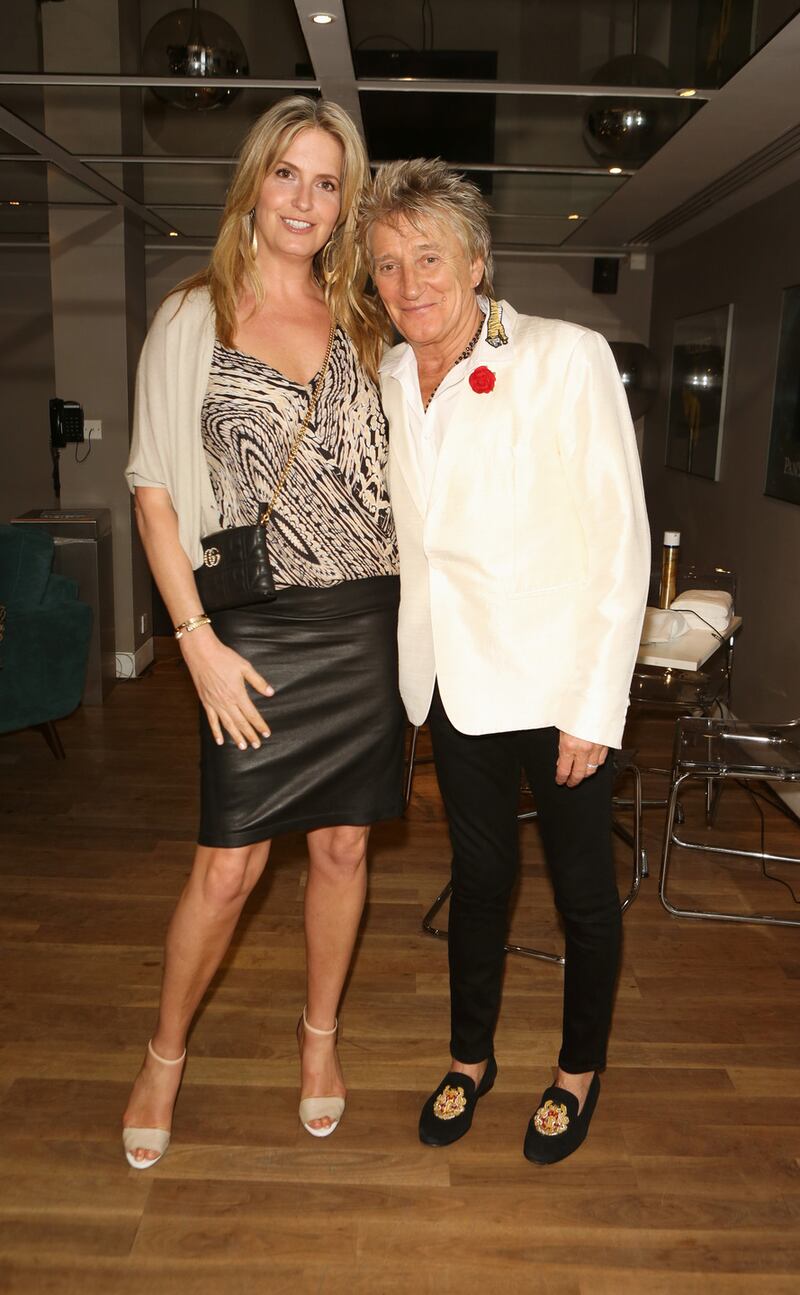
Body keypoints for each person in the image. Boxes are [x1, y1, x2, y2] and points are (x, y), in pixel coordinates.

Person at [122, 97, 404, 1167]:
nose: (304, 199)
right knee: (228, 866)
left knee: (342, 846)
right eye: (288, 173)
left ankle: (318, 1039)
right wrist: (194, 643)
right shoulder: (192, 314)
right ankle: (163, 1053)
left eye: (327, 183)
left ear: (344, 204)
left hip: (363, 624)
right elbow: (154, 494)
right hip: (246, 630)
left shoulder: (365, 319)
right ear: (254, 181)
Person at [359, 159, 650, 1164]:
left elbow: (620, 540)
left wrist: (594, 704)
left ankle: (576, 1070)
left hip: (557, 683)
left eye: (428, 257)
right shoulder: (388, 376)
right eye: (387, 264)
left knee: (580, 889)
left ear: (477, 261)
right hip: (452, 680)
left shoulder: (565, 357)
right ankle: (469, 1057)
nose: (408, 283)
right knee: (478, 878)